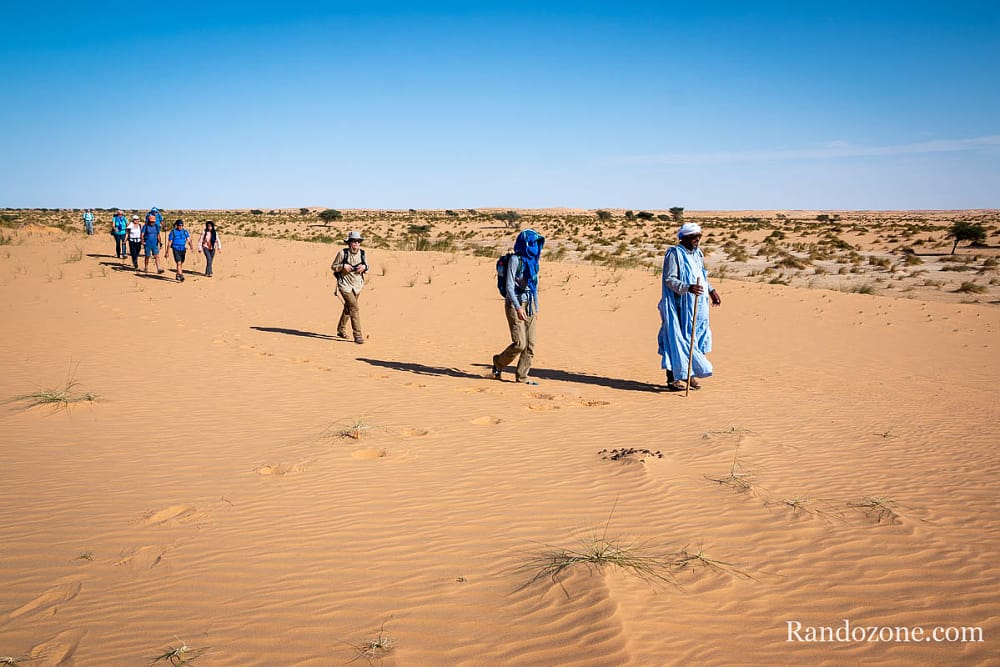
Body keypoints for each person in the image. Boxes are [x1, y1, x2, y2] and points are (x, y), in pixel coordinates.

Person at [657, 222, 722, 391]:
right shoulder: (674, 254)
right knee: (676, 339)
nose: (697, 239)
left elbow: (702, 275)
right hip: (680, 306)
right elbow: (669, 279)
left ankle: (689, 374)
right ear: (684, 237)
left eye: (699, 236)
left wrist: (711, 290)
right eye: (694, 236)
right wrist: (687, 287)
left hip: (699, 306)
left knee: (696, 339)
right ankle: (674, 378)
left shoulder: (697, 254)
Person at [491, 228, 545, 385]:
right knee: (520, 343)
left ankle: (522, 377)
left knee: (531, 345)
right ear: (525, 244)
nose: (536, 247)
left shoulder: (534, 261)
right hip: (515, 304)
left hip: (530, 305)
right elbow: (509, 286)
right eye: (533, 243)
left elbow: (534, 286)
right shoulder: (516, 260)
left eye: (537, 243)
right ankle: (498, 363)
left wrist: (536, 308)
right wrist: (517, 307)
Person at [330, 231, 369, 344]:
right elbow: (333, 266)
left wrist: (364, 267)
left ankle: (341, 329)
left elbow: (368, 267)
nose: (356, 243)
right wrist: (343, 266)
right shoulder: (342, 253)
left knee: (349, 308)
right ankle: (358, 335)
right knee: (354, 308)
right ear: (349, 243)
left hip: (357, 285)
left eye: (358, 241)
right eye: (354, 241)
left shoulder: (363, 253)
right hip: (344, 285)